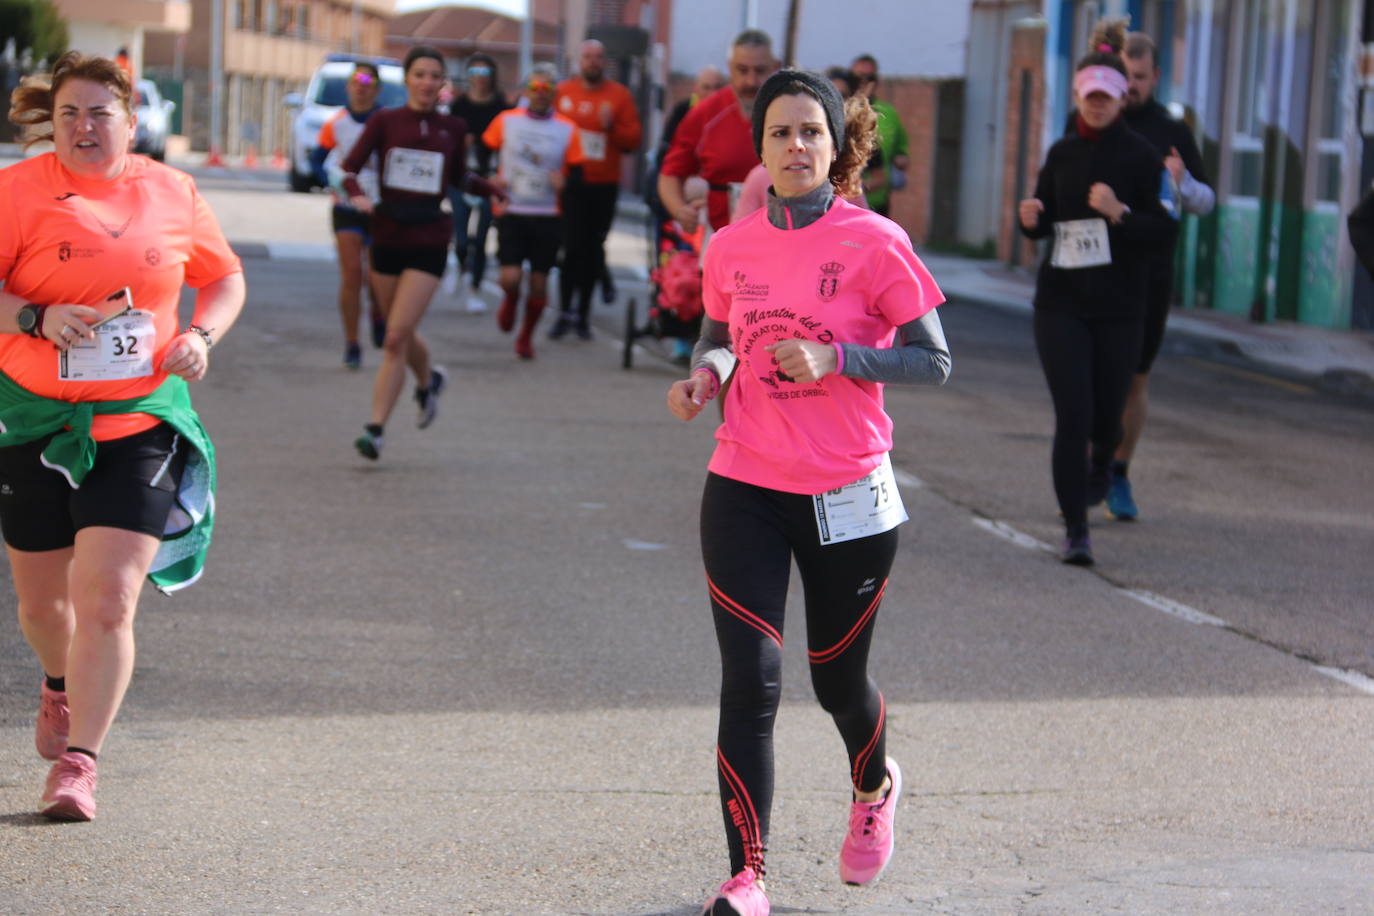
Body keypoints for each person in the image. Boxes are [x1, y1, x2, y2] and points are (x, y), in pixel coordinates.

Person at [666, 69, 951, 916]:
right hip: (744, 481)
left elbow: (933, 358)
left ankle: (873, 787)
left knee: (836, 681)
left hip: (848, 491)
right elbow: (720, 340)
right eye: (781, 132)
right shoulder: (732, 245)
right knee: (750, 679)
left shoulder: (875, 241)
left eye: (811, 133)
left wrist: (842, 357)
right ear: (759, 147)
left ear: (835, 147)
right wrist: (704, 379)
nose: (796, 146)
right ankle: (747, 877)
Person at [0, 51, 246, 820]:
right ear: (53, 121)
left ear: (131, 123)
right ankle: (59, 682)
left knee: (107, 598)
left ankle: (80, 765)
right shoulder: (16, 191)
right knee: (44, 611)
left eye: (99, 113)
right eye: (69, 113)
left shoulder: (172, 190)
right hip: (35, 420)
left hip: (138, 424)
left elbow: (225, 276)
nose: (83, 126)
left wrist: (201, 335)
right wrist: (34, 316)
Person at [1018, 30, 1174, 565]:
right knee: (1074, 414)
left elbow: (1166, 228)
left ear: (1120, 100)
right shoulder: (1061, 152)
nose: (1100, 106)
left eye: (1109, 98)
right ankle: (1076, 531)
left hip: (1120, 306)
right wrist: (1031, 219)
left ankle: (1105, 460)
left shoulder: (1142, 156)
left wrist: (1120, 212)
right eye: (1092, 98)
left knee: (1108, 414)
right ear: (1081, 99)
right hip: (1061, 303)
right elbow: (1044, 216)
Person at [341, 46, 501, 461]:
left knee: (394, 337)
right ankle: (429, 382)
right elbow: (349, 168)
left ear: (443, 84)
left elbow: (459, 176)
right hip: (387, 234)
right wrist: (358, 197)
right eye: (420, 75)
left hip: (430, 237)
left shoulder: (453, 128)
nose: (428, 82)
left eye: (435, 75)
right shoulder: (385, 120)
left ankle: (374, 430)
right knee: (400, 329)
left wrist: (495, 190)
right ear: (408, 80)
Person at [1095, 21, 1215, 521]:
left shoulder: (1172, 131)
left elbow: (1206, 203)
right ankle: (1087, 470)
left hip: (1150, 275)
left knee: (1135, 381)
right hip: (1097, 270)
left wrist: (1182, 181)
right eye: (1127, 73)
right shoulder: (1096, 119)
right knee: (1095, 379)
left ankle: (1118, 474)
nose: (1134, 84)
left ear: (1156, 76)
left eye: (1142, 76)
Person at [482, 64, 584, 360]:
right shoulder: (506, 120)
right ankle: (511, 299)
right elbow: (483, 148)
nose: (541, 94)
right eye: (535, 88)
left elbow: (579, 173)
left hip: (548, 214)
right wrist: (492, 176)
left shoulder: (567, 128)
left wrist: (566, 182)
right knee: (511, 277)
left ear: (554, 93)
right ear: (525, 90)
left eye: (547, 89)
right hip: (512, 209)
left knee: (539, 282)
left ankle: (525, 337)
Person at [549, 40, 642, 340]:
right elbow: (546, 132)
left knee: (593, 248)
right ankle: (564, 312)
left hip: (604, 184)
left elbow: (633, 141)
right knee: (572, 248)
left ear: (605, 62)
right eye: (588, 57)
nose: (593, 62)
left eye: (598, 57)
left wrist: (612, 126)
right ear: (579, 60)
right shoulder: (563, 92)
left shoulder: (619, 96)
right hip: (571, 182)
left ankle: (583, 315)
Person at [658, 29, 779, 236]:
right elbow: (670, 175)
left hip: (780, 238)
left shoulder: (792, 110)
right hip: (721, 234)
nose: (751, 81)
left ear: (775, 67)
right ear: (729, 68)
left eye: (760, 71)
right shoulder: (707, 113)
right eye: (742, 70)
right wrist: (680, 210)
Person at [649, 65, 725, 363]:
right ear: (696, 88)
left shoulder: (732, 116)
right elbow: (667, 162)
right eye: (705, 86)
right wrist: (679, 206)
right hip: (684, 210)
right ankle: (680, 334)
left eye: (717, 86)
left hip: (718, 210)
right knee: (681, 274)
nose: (710, 93)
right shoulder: (684, 112)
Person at [312, 61, 384, 369]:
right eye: (357, 80)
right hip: (346, 207)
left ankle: (379, 313)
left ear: (377, 88)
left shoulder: (385, 121)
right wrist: (333, 180)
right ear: (348, 86)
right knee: (352, 274)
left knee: (377, 277)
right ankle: (352, 343)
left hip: (380, 207)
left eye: (368, 81)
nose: (362, 86)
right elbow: (316, 160)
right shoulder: (336, 122)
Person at [448, 53, 510, 314]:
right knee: (461, 236)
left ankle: (474, 289)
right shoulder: (457, 106)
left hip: (488, 178)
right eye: (475, 72)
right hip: (460, 177)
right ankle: (460, 264)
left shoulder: (501, 107)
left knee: (483, 236)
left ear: (492, 77)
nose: (479, 79)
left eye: (485, 73)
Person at [849, 54, 908, 217]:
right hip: (846, 202)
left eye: (870, 77)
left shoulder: (888, 112)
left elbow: (901, 146)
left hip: (878, 200)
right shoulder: (842, 108)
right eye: (858, 77)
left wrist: (902, 157)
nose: (864, 82)